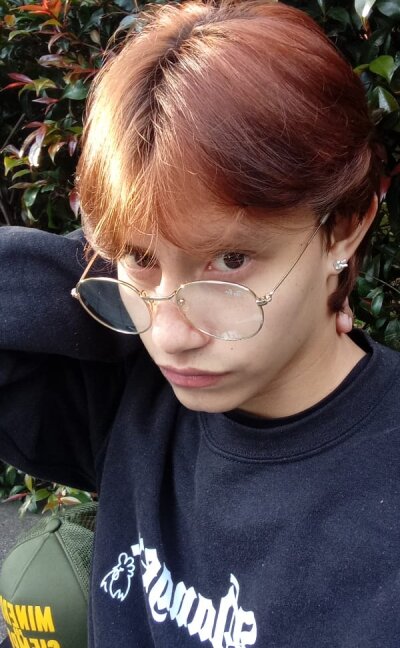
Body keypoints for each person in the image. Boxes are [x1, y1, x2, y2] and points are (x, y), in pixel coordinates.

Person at [0, 1, 399, 647]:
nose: (168, 336)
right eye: (138, 257)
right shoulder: (127, 403)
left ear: (345, 228)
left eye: (231, 260)